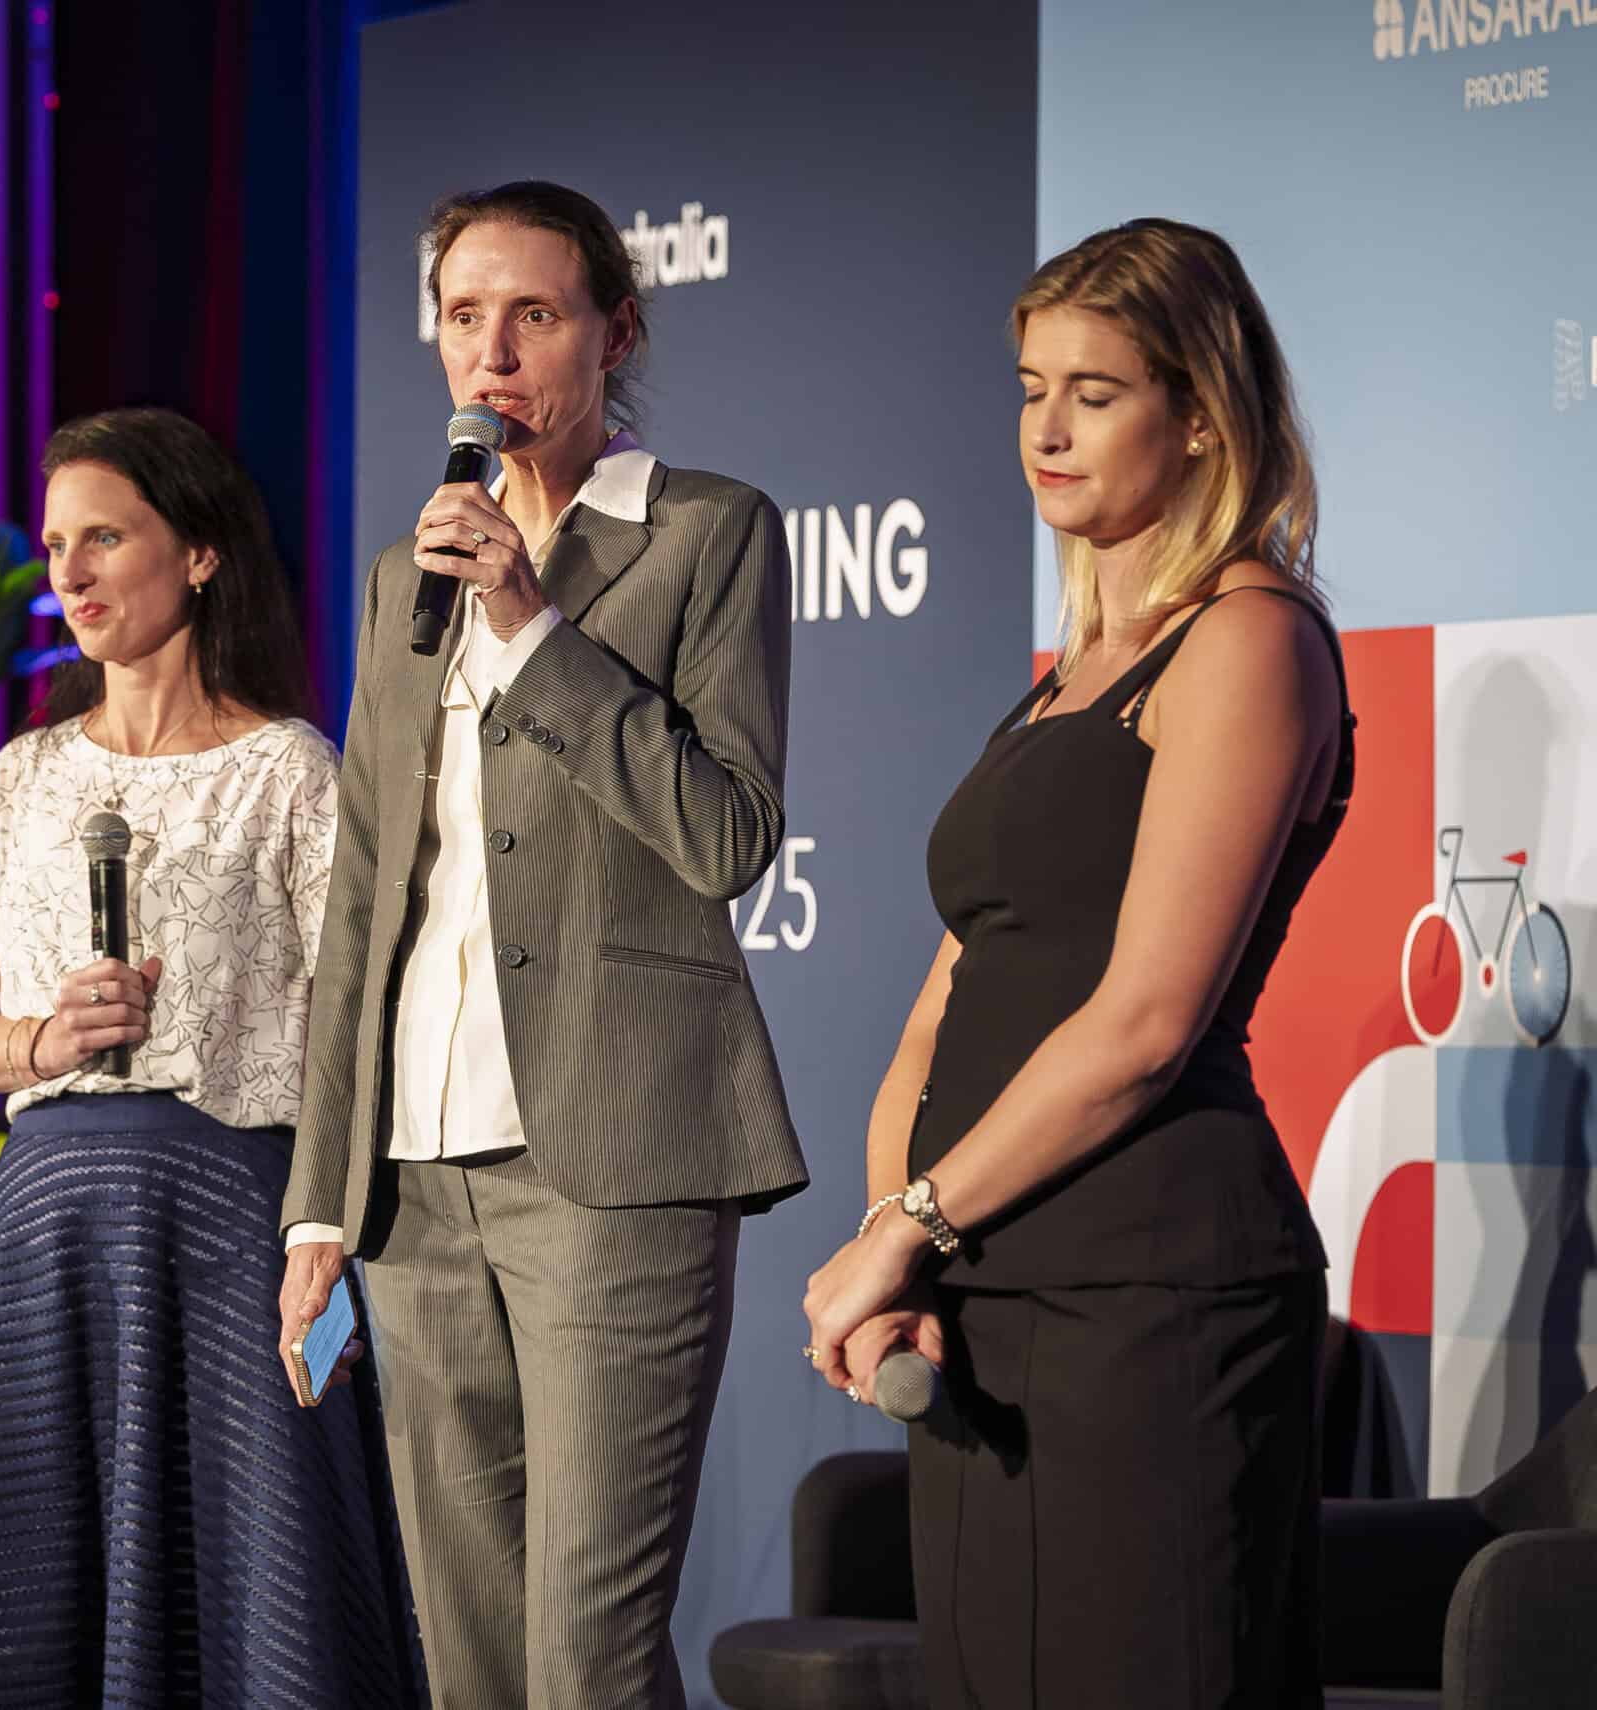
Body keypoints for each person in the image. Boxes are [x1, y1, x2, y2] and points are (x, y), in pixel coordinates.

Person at [801, 218, 1352, 1709]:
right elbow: (945, 1002)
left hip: (1151, 1295)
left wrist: (913, 1221)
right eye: (1031, 388)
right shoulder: (1059, 686)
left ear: (1200, 413)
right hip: (981, 1293)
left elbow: (1148, 1020)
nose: (1044, 429)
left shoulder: (1249, 640)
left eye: (1094, 394)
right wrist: (892, 1234)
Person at [280, 180, 805, 1709]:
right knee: (470, 1661)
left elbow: (727, 834)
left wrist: (530, 629)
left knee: (587, 1656)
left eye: (534, 314)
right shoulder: (404, 576)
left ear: (614, 331)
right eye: (464, 316)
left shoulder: (706, 532)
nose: (492, 353)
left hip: (616, 1159)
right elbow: (365, 892)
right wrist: (321, 1195)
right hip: (414, 1176)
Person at [0, 407, 423, 1709]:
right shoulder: (18, 781)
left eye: (104, 538)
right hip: (47, 1240)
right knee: (23, 1613)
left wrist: (325, 1241)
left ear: (200, 553)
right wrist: (38, 1039)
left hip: (232, 1231)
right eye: (55, 545)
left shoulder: (290, 773)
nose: (68, 572)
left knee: (249, 1610)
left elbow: (357, 1036)